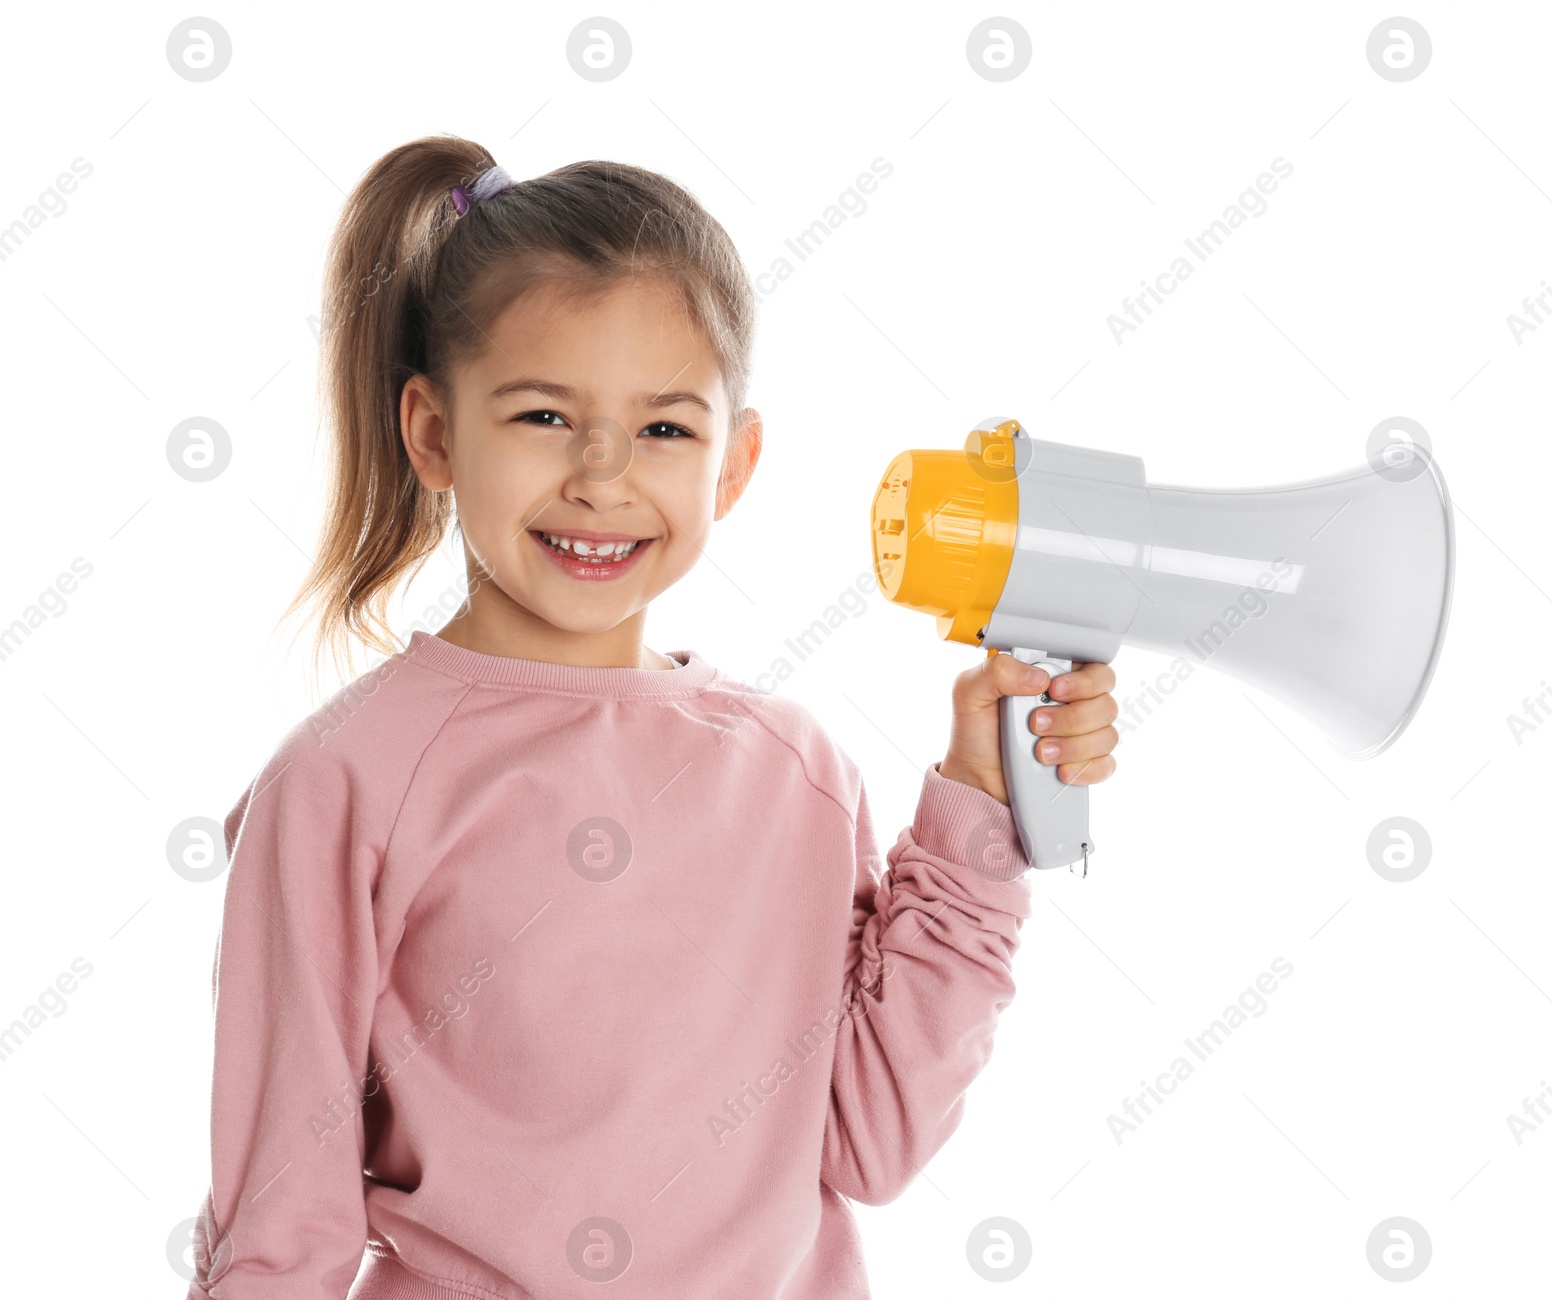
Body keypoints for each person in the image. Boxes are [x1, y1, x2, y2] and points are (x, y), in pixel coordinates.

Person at [185, 135, 1119, 1300]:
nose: (603, 474)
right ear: (432, 432)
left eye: (667, 429)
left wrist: (979, 811)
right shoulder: (343, 781)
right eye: (540, 416)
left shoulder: (795, 769)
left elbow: (870, 1142)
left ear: (734, 464)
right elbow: (282, 1226)